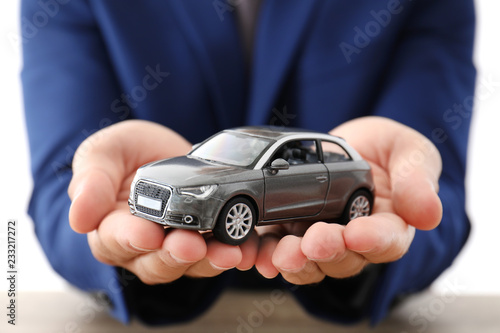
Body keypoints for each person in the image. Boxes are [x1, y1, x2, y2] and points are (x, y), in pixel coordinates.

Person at [21, 0, 476, 326]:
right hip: (155, 308)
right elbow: (58, 190)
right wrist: (108, 236)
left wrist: (372, 254)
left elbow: (443, 198)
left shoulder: (348, 172)